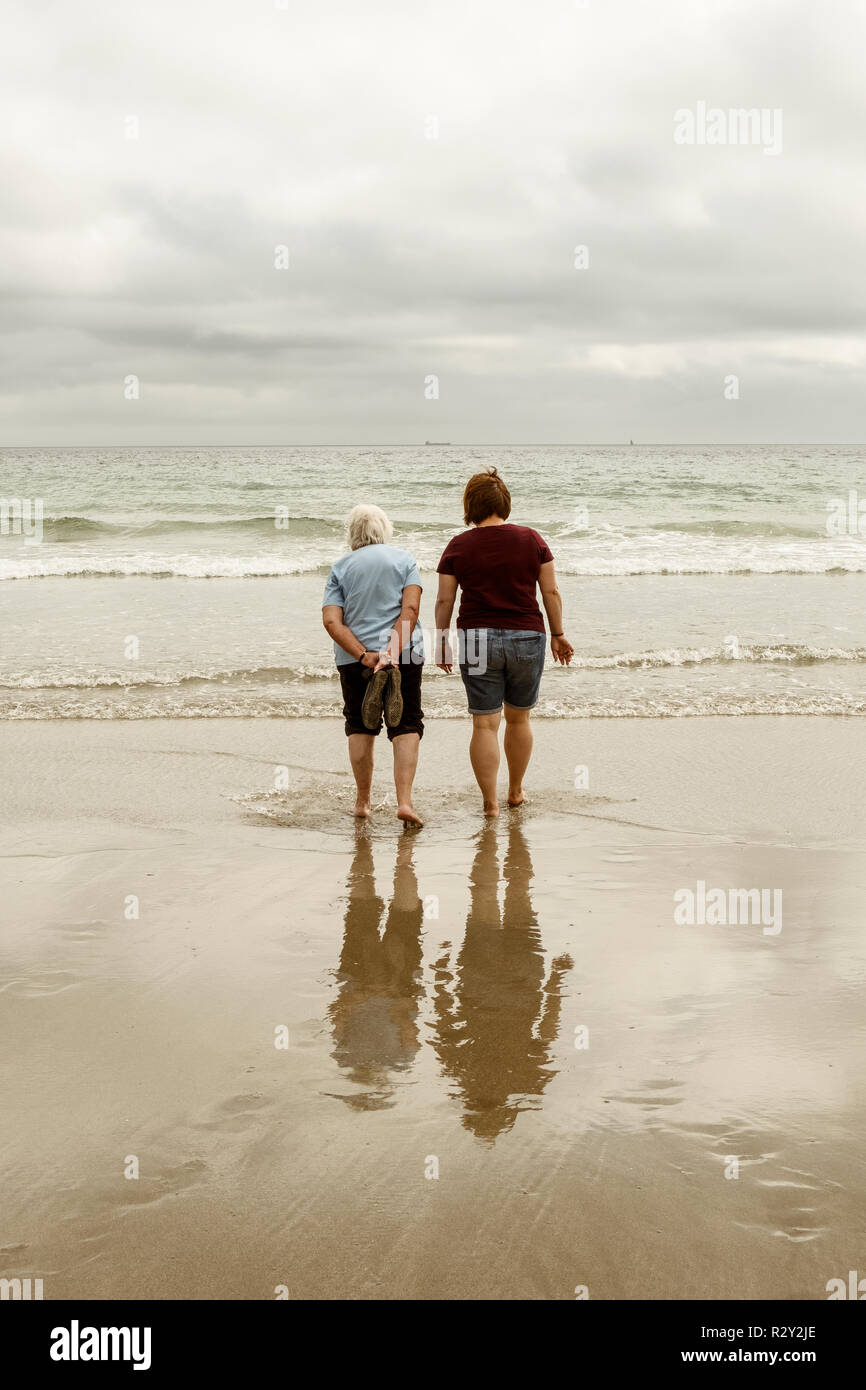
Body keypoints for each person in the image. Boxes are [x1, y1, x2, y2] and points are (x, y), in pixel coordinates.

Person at [434, 468, 573, 815]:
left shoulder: (458, 545)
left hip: (477, 638)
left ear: (471, 505)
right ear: (505, 503)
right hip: (526, 635)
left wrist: (442, 640)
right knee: (519, 719)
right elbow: (551, 592)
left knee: (484, 722)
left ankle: (490, 803)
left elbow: (445, 600)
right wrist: (558, 634)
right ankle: (515, 791)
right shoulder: (532, 540)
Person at [322, 504, 424, 826]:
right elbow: (410, 610)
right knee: (406, 724)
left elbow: (331, 621)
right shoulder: (405, 561)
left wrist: (364, 654)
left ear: (352, 534)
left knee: (359, 725)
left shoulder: (340, 567)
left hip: (356, 659)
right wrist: (390, 652)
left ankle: (362, 802)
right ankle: (404, 803)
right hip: (403, 654)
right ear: (384, 530)